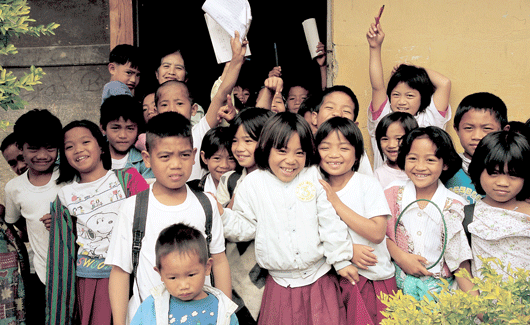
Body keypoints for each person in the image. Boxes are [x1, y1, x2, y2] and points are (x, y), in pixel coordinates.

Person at [221, 112, 357, 324]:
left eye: (299, 153)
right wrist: (221, 216)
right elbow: (246, 227)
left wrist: (341, 260)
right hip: (279, 286)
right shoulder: (253, 183)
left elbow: (329, 221)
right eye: (282, 151)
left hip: (319, 279)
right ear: (266, 148)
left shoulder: (312, 176)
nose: (291, 160)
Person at [106, 112, 231, 325]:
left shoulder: (206, 205)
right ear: (147, 158)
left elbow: (218, 261)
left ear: (193, 155)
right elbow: (120, 271)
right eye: (165, 156)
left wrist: (225, 314)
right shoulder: (134, 208)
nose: (175, 164)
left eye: (183, 155)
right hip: (148, 319)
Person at [46, 120, 149, 325]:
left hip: (133, 274)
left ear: (101, 146)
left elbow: (150, 225)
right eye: (69, 146)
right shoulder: (64, 197)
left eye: (85, 141)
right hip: (92, 280)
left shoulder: (127, 179)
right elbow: (61, 257)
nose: (78, 150)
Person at [315, 117, 396, 324]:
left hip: (373, 279)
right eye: (325, 147)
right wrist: (348, 250)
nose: (334, 155)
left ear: (358, 153)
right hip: (332, 280)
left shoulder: (368, 185)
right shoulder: (314, 187)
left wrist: (335, 202)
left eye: (344, 148)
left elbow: (377, 233)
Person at [384, 127, 475, 301]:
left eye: (430, 160)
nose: (420, 167)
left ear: (445, 163)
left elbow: (460, 263)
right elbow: (378, 235)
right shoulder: (392, 193)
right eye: (412, 158)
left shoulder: (456, 206)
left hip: (443, 296)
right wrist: (401, 257)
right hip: (397, 291)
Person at [155, 32, 246, 181]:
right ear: (156, 110)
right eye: (165, 104)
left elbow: (222, 93)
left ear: (193, 109)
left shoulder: (199, 133)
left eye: (179, 103)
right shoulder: (152, 139)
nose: (172, 108)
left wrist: (236, 59)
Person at [366, 19, 452, 170]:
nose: (402, 102)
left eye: (410, 96)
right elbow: (377, 86)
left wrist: (413, 70)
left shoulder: (430, 119)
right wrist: (375, 47)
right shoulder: (384, 116)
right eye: (396, 95)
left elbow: (444, 83)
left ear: (422, 98)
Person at [4, 109, 63, 325]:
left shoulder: (70, 177)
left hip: (77, 271)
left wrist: (65, 222)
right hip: (41, 274)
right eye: (33, 148)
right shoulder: (14, 188)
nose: (42, 155)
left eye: (50, 147)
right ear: (20, 147)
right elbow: (13, 223)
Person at [131, 223, 238, 325]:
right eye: (173, 278)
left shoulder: (223, 310)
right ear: (160, 274)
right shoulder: (152, 307)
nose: (183, 286)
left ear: (207, 267)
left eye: (191, 275)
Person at [467, 131, 530, 279]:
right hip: (483, 300)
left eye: (513, 175)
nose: (502, 183)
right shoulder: (466, 216)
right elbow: (460, 268)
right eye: (493, 173)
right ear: (478, 170)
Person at [445, 92, 507, 204]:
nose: (477, 136)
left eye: (487, 129)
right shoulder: (445, 167)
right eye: (468, 128)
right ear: (457, 129)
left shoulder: (510, 172)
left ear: (504, 130)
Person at [310, 85, 373, 176]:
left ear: (354, 126)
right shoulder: (304, 145)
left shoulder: (355, 152)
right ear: (315, 118)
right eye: (330, 108)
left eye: (346, 111)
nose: (337, 113)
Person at [100, 94, 153, 179]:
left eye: (130, 129)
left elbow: (147, 191)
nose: (123, 135)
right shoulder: (93, 157)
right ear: (103, 128)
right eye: (115, 128)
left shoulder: (144, 161)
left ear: (138, 130)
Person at [373, 112, 419, 189]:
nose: (391, 145)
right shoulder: (379, 175)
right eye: (385, 139)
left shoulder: (420, 170)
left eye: (398, 139)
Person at [191, 126, 237, 193]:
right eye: (217, 158)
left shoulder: (243, 188)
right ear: (204, 157)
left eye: (231, 159)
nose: (224, 165)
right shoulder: (192, 190)